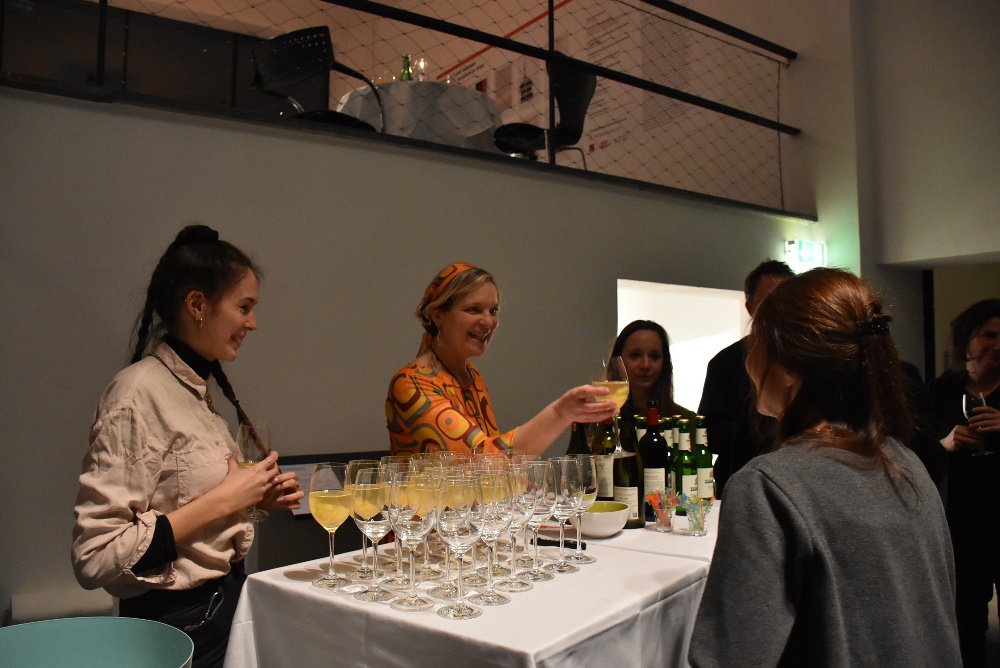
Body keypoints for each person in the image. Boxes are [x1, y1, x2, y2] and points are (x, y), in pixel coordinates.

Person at [689, 268, 961, 667]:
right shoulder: (904, 462)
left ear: (786, 369)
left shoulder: (767, 487)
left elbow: (730, 656)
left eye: (756, 342)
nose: (748, 360)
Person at [72, 225, 303, 668]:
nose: (252, 323)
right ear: (197, 305)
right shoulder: (137, 394)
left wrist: (253, 499)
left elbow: (179, 499)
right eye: (244, 308)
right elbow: (96, 555)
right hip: (178, 630)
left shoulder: (194, 390)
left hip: (221, 610)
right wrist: (225, 499)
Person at [385, 262, 618, 456]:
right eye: (473, 309)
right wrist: (560, 413)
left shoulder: (471, 375)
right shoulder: (411, 383)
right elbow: (486, 460)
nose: (488, 322)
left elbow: (491, 473)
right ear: (437, 315)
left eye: (493, 311)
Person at [928, 298, 1000, 667]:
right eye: (989, 335)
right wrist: (947, 443)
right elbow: (916, 449)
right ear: (967, 339)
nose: (998, 346)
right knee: (965, 615)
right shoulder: (941, 391)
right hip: (959, 522)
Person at [697, 259, 794, 496]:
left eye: (787, 301)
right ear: (751, 308)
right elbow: (707, 432)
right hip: (742, 480)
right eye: (768, 303)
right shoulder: (726, 362)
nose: (779, 311)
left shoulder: (807, 358)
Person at [609, 319, 693, 419]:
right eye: (635, 355)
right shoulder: (598, 418)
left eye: (654, 356)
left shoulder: (686, 420)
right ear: (617, 362)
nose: (646, 365)